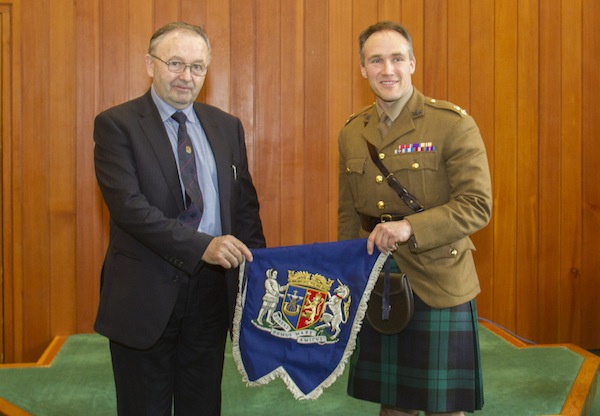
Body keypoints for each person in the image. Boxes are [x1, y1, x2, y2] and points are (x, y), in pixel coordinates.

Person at [93, 22, 265, 415]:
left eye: (197, 67)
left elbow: (244, 210)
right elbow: (130, 209)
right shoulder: (116, 125)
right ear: (149, 64)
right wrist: (204, 246)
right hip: (144, 296)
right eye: (175, 63)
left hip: (211, 296)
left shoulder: (227, 127)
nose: (186, 77)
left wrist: (256, 280)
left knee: (202, 405)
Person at [338, 21, 492, 416]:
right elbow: (348, 212)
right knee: (393, 402)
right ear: (362, 68)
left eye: (396, 58)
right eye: (376, 60)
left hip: (439, 278)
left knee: (444, 406)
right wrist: (348, 272)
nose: (387, 69)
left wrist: (410, 228)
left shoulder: (452, 124)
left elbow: (477, 204)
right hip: (380, 278)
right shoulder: (353, 132)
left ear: (412, 64)